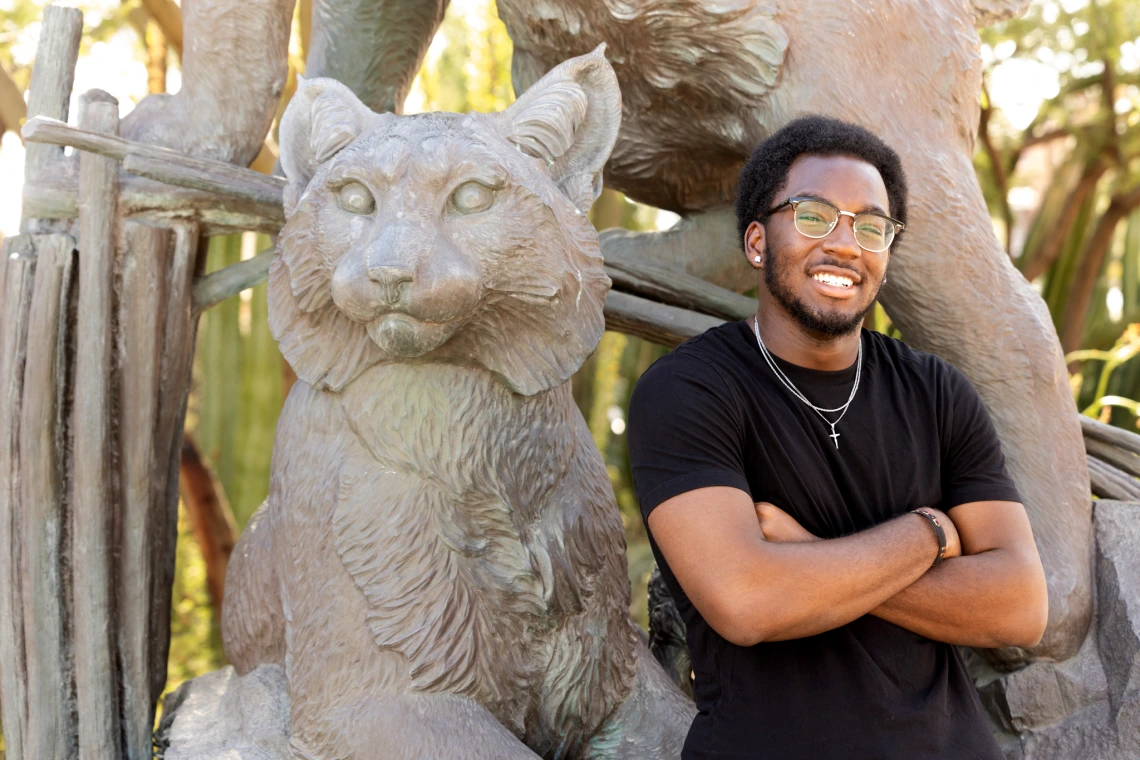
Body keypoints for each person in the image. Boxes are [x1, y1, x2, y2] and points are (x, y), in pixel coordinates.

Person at [626, 115, 1049, 760]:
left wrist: (811, 556)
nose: (847, 244)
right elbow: (748, 600)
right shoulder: (688, 391)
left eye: (871, 226)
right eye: (816, 216)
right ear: (757, 240)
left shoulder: (936, 392)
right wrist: (928, 534)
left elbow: (1019, 607)